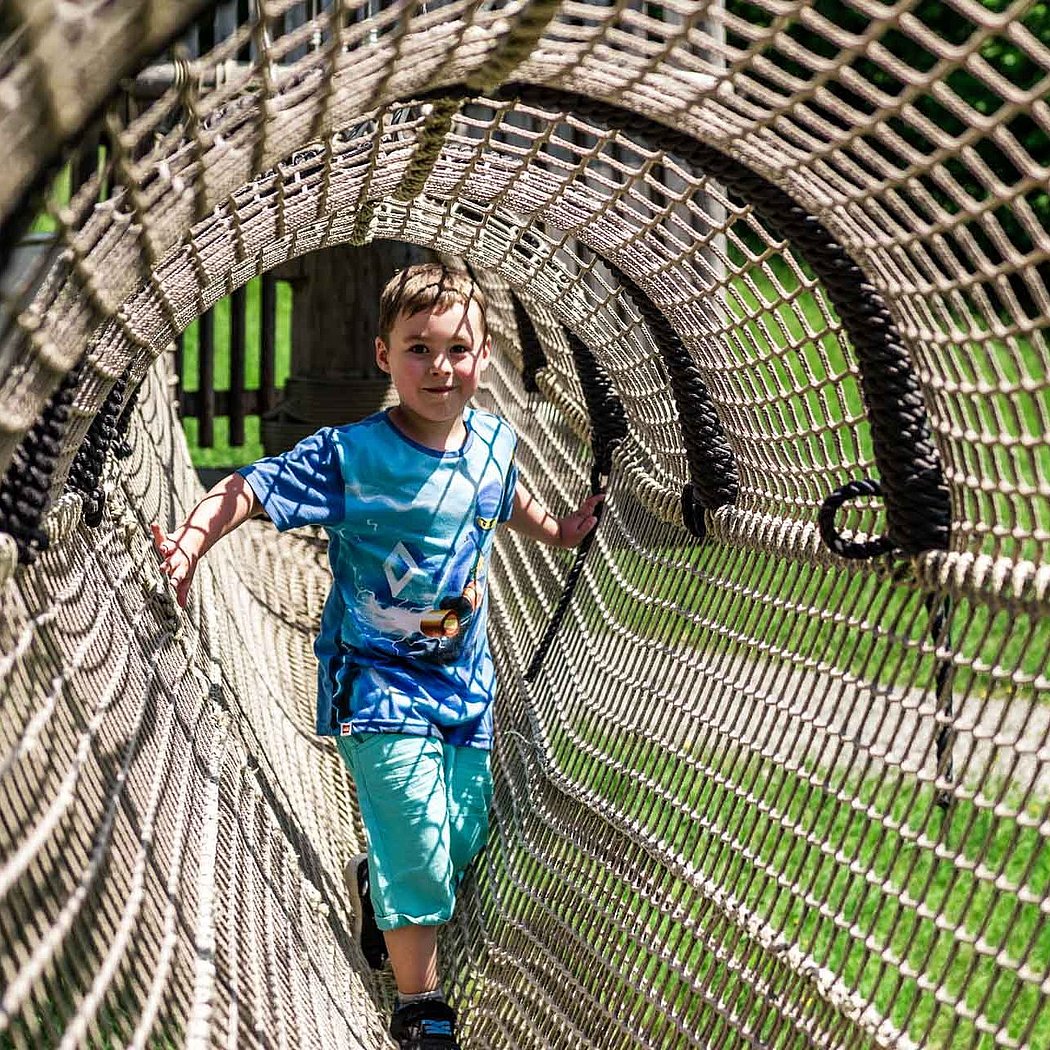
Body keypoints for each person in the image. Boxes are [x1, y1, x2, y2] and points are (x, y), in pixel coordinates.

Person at [151, 263, 602, 1050]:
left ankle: (376, 882)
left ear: (485, 353)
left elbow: (503, 497)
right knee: (423, 852)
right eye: (418, 349)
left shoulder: (493, 442)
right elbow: (250, 488)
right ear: (384, 357)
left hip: (466, 688)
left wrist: (559, 531)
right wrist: (191, 542)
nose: (440, 367)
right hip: (378, 686)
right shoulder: (353, 455)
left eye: (457, 349)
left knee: (458, 839)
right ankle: (419, 1006)